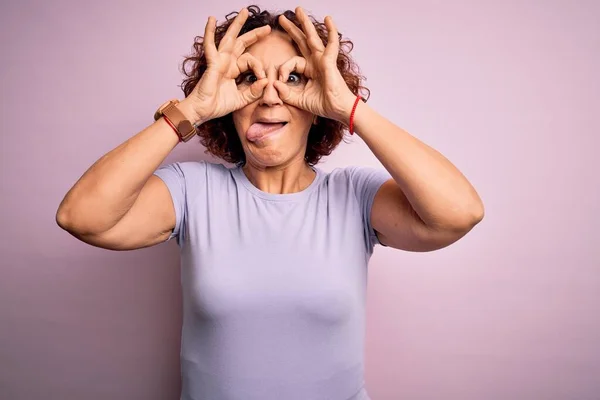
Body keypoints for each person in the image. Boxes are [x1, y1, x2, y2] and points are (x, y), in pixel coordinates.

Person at [56, 5, 484, 400]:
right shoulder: (191, 190)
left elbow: (458, 213)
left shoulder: (355, 195)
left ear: (317, 104)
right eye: (248, 78)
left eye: (293, 78)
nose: (270, 95)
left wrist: (348, 107)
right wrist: (193, 109)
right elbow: (81, 217)